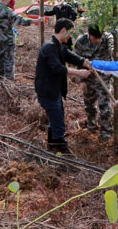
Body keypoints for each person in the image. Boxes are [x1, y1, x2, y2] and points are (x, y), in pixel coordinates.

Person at [35, 19, 90, 152]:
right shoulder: (49, 47)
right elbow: (57, 68)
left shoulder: (57, 45)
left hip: (54, 90)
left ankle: (52, 144)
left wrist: (85, 62)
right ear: (64, 30)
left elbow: (69, 56)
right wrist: (79, 72)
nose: (71, 36)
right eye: (70, 33)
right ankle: (60, 148)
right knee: (58, 121)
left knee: (56, 117)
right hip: (48, 91)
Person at [0, 0, 40, 80]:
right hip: (7, 40)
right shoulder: (8, 10)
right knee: (9, 61)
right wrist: (36, 20)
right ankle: (9, 81)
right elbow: (21, 20)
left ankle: (0, 78)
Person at [74, 25, 114, 139]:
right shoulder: (81, 41)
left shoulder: (108, 38)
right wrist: (81, 80)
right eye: (95, 38)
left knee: (104, 106)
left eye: (99, 37)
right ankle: (92, 126)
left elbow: (113, 47)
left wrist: (116, 52)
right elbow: (77, 61)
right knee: (89, 105)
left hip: (103, 79)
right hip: (88, 79)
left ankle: (106, 131)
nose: (98, 40)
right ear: (89, 34)